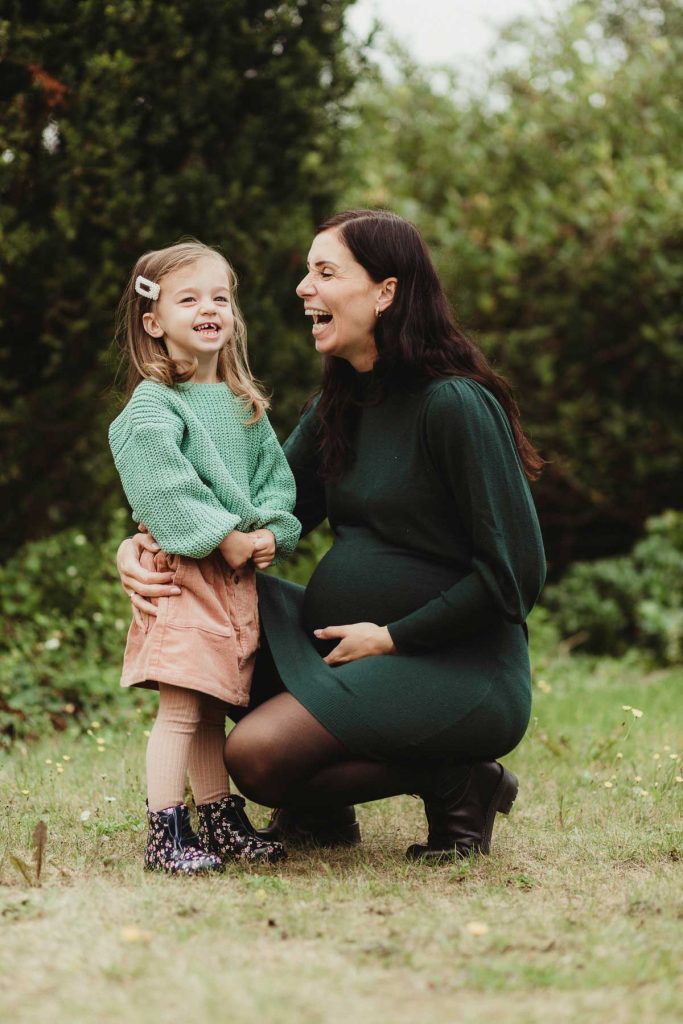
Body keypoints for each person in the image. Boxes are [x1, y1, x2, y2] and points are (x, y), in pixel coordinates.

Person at [118, 210, 546, 862]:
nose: (301, 288)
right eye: (306, 271)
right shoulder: (339, 406)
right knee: (205, 600)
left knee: (256, 758)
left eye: (324, 272)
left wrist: (394, 635)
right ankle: (322, 807)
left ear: (385, 292)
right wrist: (145, 545)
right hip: (350, 652)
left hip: (459, 665)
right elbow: (252, 509)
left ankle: (459, 779)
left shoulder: (453, 405)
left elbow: (516, 573)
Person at [109, 240, 301, 874]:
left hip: (235, 578)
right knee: (183, 706)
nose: (209, 308)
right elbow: (164, 485)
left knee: (214, 702)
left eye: (220, 297)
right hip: (186, 576)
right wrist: (226, 536)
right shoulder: (152, 408)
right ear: (153, 322)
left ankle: (218, 817)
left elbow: (276, 480)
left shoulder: (245, 405)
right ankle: (165, 833)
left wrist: (275, 527)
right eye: (188, 298)